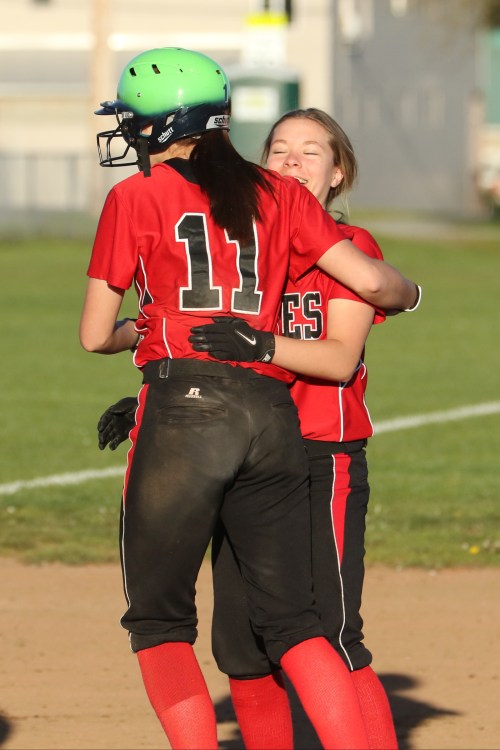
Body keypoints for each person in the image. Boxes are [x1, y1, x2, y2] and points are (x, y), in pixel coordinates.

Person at [80, 47, 419, 749]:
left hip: (198, 418)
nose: (293, 162)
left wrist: (149, 336)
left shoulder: (139, 196)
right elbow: (380, 284)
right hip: (271, 425)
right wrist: (410, 292)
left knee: (161, 623)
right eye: (283, 148)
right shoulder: (281, 201)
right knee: (283, 629)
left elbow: (92, 335)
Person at [190, 109, 404, 749]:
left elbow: (338, 358)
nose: (292, 160)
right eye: (280, 148)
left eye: (313, 152)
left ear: (338, 174)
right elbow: (201, 340)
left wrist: (257, 344)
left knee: (333, 631)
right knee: (243, 644)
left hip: (320, 454)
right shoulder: (243, 250)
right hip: (240, 454)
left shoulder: (353, 248)